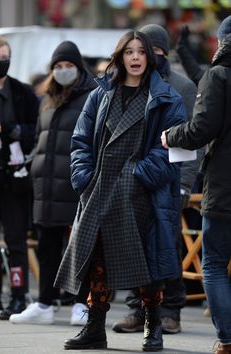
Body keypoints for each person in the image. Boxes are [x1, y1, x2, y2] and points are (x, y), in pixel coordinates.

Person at [54, 30, 187, 351]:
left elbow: (173, 150)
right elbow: (80, 141)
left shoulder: (167, 98)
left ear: (151, 57)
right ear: (120, 56)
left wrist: (138, 175)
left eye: (142, 52)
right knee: (95, 261)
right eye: (130, 52)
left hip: (141, 193)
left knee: (146, 263)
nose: (137, 57)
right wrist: (84, 177)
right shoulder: (101, 95)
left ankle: (152, 326)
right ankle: (95, 327)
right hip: (99, 189)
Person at [112, 23, 202, 335]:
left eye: (154, 50)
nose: (145, 56)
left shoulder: (182, 86)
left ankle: (171, 310)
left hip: (169, 178)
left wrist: (183, 184)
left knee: (168, 245)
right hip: (133, 180)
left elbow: (192, 139)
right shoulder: (131, 84)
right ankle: (137, 310)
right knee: (134, 246)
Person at [9, 41, 96, 326]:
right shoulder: (47, 100)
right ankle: (45, 302)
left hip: (75, 185)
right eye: (58, 67)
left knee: (79, 247)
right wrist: (31, 164)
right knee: (46, 246)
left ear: (78, 67)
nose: (63, 71)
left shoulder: (92, 97)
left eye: (68, 65)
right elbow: (39, 141)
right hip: (45, 187)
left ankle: (82, 303)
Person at [161, 15, 231, 354]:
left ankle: (228, 340)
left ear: (221, 42)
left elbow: (201, 129)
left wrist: (169, 135)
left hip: (225, 187)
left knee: (215, 263)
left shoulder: (219, 76)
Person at [0, 35, 39, 320]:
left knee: (15, 242)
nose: (1, 63)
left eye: (4, 58)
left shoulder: (23, 93)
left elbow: (34, 131)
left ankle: (18, 295)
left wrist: (11, 130)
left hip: (14, 178)